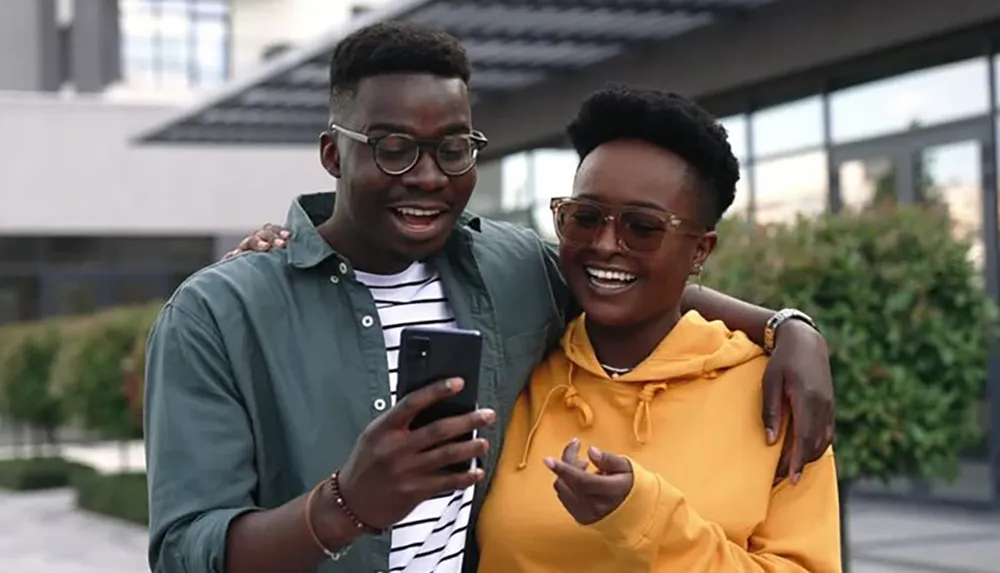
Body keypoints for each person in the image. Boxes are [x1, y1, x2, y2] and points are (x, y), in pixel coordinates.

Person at [145, 21, 832, 573]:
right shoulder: (218, 315)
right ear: (333, 152)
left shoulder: (510, 269)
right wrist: (346, 504)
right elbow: (183, 552)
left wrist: (789, 327)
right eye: (391, 148)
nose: (427, 176)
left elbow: (636, 280)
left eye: (453, 148)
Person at [472, 85, 840, 572]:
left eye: (642, 228)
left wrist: (646, 520)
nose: (604, 245)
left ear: (700, 251)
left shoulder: (775, 394)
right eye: (583, 218)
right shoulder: (521, 367)